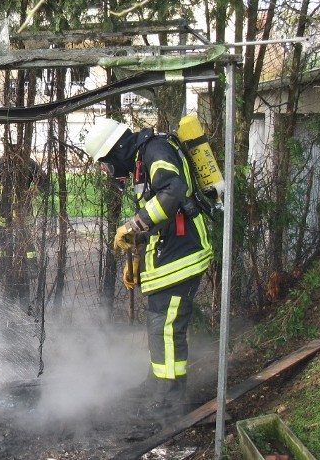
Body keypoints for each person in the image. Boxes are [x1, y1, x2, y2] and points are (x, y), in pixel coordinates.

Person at [84, 117, 213, 421]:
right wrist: (140, 263)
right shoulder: (144, 158)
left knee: (165, 326)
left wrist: (133, 224)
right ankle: (159, 382)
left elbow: (174, 189)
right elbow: (160, 215)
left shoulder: (155, 150)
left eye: (104, 163)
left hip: (183, 254)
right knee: (158, 323)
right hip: (170, 254)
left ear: (114, 151)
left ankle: (171, 399)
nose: (107, 170)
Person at [0, 153, 48, 310]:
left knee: (27, 240)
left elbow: (44, 180)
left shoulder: (30, 163)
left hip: (24, 208)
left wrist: (32, 192)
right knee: (2, 240)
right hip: (5, 208)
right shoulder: (3, 162)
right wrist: (2, 189)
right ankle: (2, 265)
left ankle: (32, 266)